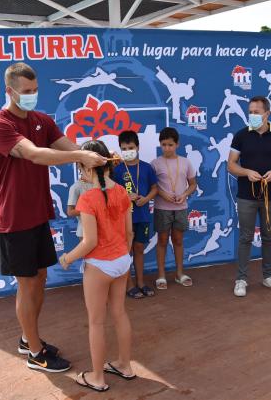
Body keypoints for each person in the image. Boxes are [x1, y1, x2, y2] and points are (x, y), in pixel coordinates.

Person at [0, 62, 106, 373]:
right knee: (26, 284)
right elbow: (36, 154)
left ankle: (29, 338)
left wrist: (93, 158)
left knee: (40, 278)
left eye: (36, 90)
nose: (32, 96)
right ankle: (35, 353)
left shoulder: (42, 120)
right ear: (9, 91)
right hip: (14, 218)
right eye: (26, 92)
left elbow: (69, 147)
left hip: (39, 214)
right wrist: (81, 156)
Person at [60, 140, 135, 393]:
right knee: (120, 313)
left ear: (88, 167)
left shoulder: (88, 197)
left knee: (96, 323)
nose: (81, 173)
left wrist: (67, 258)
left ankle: (98, 378)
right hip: (122, 262)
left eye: (81, 167)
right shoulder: (123, 192)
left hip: (99, 265)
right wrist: (121, 255)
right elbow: (129, 233)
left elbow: (90, 241)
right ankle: (125, 365)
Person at [227, 96, 271, 297]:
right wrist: (246, 172)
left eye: (256, 112)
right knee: (245, 237)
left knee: (268, 237)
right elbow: (231, 164)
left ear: (267, 113)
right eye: (250, 112)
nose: (252, 115)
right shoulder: (241, 136)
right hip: (246, 196)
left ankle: (268, 276)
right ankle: (241, 279)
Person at [113, 130, 158, 299]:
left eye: (130, 147)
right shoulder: (116, 170)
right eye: (123, 148)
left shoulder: (147, 168)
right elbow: (111, 193)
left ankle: (141, 282)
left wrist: (146, 199)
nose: (127, 151)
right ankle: (129, 284)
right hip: (124, 218)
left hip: (143, 215)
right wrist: (125, 196)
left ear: (137, 147)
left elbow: (155, 188)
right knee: (126, 252)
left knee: (139, 248)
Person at [151, 127, 197, 290]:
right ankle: (161, 275)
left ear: (177, 144)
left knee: (178, 240)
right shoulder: (155, 163)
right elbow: (153, 186)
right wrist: (163, 194)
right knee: (162, 241)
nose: (167, 148)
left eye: (170, 145)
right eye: (163, 145)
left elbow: (193, 184)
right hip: (162, 208)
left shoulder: (185, 162)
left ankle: (179, 273)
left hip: (181, 208)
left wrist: (184, 194)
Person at [67, 169, 93, 238]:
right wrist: (91, 211)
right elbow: (70, 212)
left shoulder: (100, 184)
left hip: (101, 229)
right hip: (84, 231)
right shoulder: (76, 187)